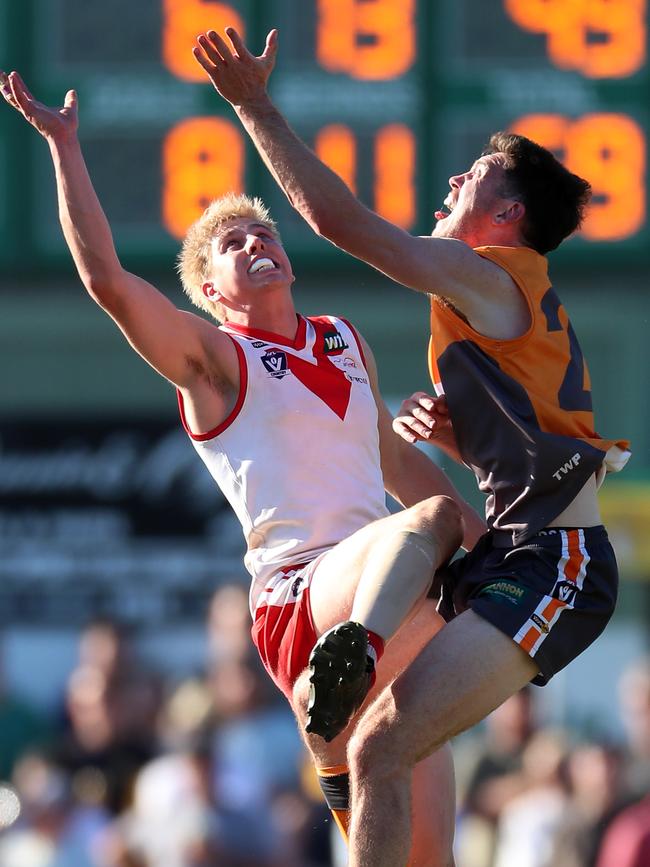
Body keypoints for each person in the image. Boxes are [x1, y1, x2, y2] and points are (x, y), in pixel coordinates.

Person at [0, 69, 485, 865]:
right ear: (212, 295)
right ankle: (341, 679)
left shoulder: (342, 339)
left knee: (425, 853)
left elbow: (396, 459)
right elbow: (108, 283)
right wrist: (64, 148)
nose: (256, 243)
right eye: (233, 245)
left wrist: (497, 554)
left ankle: (341, 726)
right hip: (306, 597)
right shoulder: (219, 360)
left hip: (384, 590)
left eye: (264, 235)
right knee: (431, 526)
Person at [190, 27, 631, 866]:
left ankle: (353, 645)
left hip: (556, 561)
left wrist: (253, 105)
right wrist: (462, 435)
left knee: (377, 747)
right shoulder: (495, 303)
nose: (456, 177)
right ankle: (352, 666)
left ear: (505, 219)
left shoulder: (495, 271)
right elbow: (536, 454)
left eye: (477, 178)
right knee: (377, 754)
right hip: (521, 553)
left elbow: (344, 222)